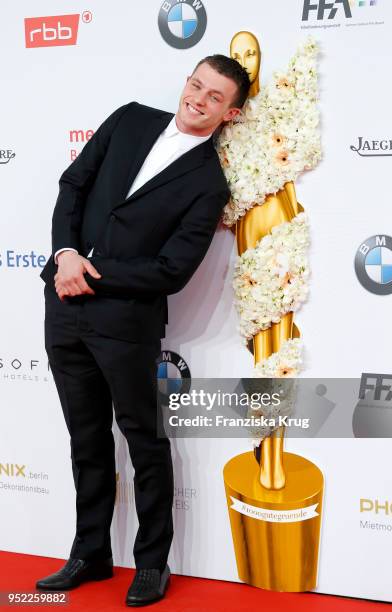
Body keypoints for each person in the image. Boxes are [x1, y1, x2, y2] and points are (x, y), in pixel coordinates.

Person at [35, 55, 250, 606]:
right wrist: (65, 256)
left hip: (126, 325)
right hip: (63, 301)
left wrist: (90, 271)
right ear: (187, 82)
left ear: (231, 113)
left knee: (144, 441)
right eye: (196, 85)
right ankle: (90, 554)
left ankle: (152, 563)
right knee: (85, 438)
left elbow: (172, 271)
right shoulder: (129, 118)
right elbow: (74, 183)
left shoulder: (209, 183)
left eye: (214, 97)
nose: (198, 99)